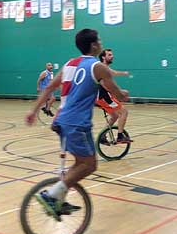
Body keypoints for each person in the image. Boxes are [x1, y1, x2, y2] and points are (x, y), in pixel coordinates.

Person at [25, 29, 129, 219]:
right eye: (99, 40)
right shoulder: (98, 67)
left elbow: (49, 87)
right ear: (93, 45)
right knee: (89, 165)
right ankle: (52, 195)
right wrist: (124, 94)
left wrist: (33, 110)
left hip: (61, 119)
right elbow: (117, 92)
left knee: (80, 163)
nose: (101, 43)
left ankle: (59, 197)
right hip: (76, 123)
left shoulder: (69, 64)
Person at [96, 49, 132, 144]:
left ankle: (102, 136)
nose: (112, 56)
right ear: (103, 57)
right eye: (109, 55)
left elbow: (114, 73)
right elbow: (104, 84)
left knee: (114, 116)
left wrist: (124, 73)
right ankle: (120, 137)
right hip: (104, 97)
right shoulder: (102, 68)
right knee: (124, 112)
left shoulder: (105, 67)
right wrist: (118, 92)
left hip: (102, 97)